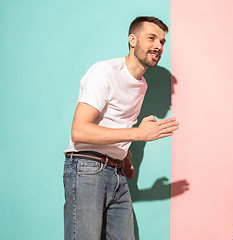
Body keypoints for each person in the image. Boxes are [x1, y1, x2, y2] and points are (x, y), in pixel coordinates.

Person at [63, 16, 179, 240]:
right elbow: (79, 131)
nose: (158, 46)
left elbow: (113, 122)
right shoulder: (104, 71)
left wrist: (123, 154)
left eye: (162, 42)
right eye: (152, 38)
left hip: (116, 173)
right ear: (132, 39)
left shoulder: (141, 85)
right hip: (87, 167)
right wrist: (137, 134)